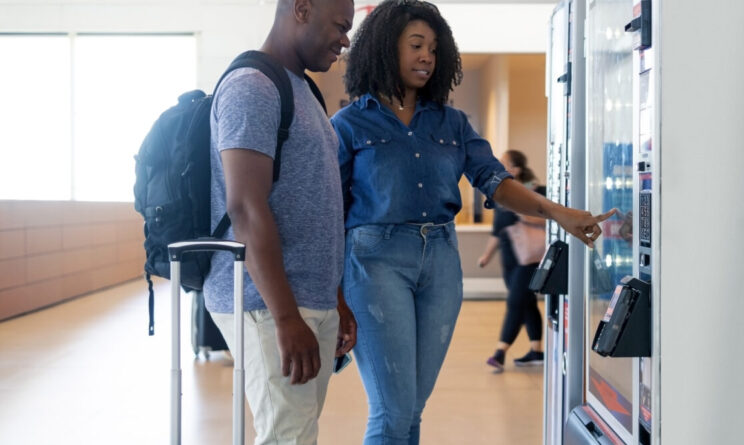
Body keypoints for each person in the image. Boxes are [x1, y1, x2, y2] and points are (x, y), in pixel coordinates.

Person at [330, 1, 614, 443]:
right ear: (386, 48)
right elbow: (330, 211)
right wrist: (334, 294)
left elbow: (495, 182)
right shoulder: (348, 124)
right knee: (391, 410)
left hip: (441, 263)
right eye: (416, 45)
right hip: (374, 261)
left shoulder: (453, 123)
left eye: (434, 49)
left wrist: (560, 212)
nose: (427, 56)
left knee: (412, 410)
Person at [202, 1, 357, 444]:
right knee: (287, 436)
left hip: (309, 299)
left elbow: (320, 206)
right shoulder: (252, 86)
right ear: (303, 9)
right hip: (267, 303)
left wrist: (337, 299)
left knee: (297, 430)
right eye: (340, 26)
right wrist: (286, 317)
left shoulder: (304, 90)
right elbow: (246, 207)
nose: (345, 40)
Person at [478, 150, 547, 371]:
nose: (499, 164)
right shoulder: (502, 192)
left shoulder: (535, 191)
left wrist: (520, 208)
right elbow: (498, 231)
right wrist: (487, 255)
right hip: (510, 256)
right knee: (526, 303)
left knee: (515, 302)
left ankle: (500, 352)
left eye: (504, 163)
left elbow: (547, 219)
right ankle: (536, 350)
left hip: (530, 256)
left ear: (516, 169)